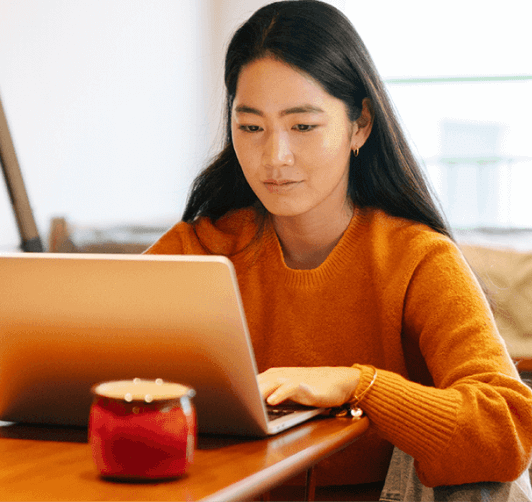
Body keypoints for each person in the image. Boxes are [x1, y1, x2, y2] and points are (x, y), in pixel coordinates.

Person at [146, 0, 532, 500]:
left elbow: (506, 433)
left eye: (303, 126)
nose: (274, 156)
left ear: (360, 125)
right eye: (250, 127)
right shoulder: (197, 250)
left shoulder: (415, 257)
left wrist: (359, 387)